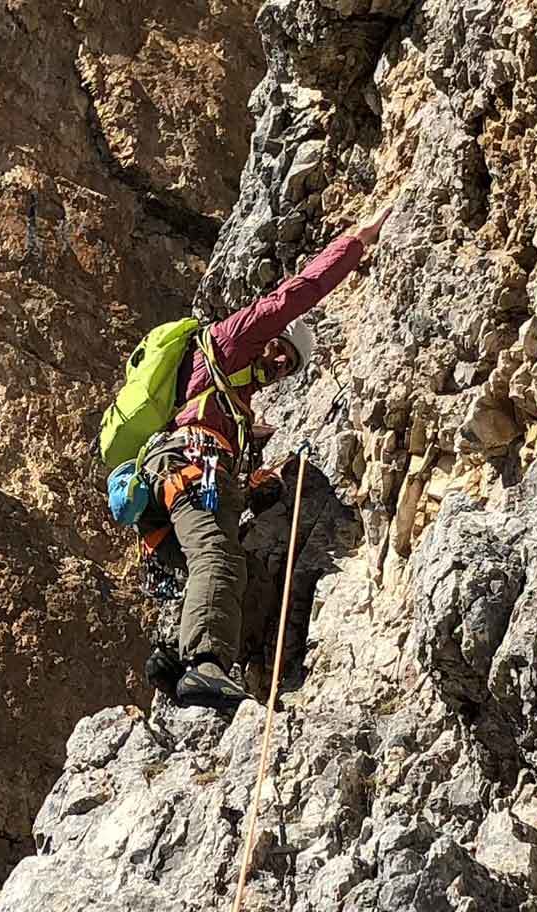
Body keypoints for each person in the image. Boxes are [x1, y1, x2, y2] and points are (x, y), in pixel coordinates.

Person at [142, 207, 387, 709]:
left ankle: (185, 665)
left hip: (186, 484)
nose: (279, 366)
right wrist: (356, 244)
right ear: (270, 338)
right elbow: (296, 293)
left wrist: (254, 485)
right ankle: (204, 662)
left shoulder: (234, 407)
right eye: (281, 352)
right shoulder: (230, 342)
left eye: (289, 367)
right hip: (186, 467)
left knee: (246, 576)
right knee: (219, 556)